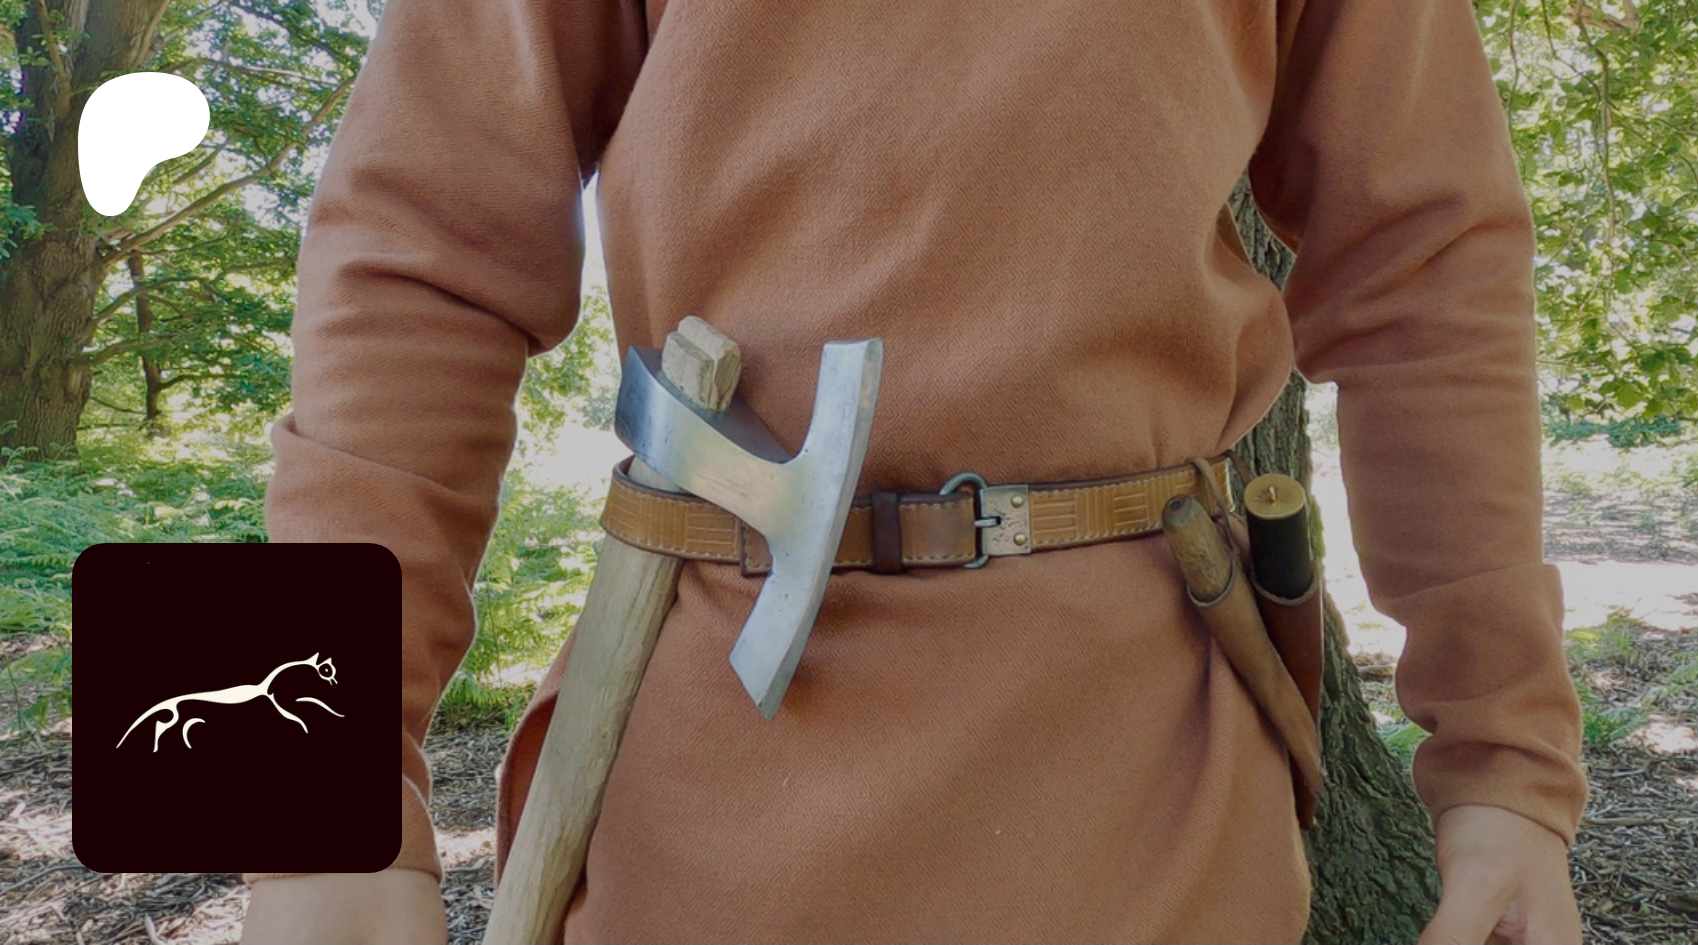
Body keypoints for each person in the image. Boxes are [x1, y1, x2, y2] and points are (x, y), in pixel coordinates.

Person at [239, 0, 1590, 941]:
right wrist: (298, 804)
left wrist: (1509, 764)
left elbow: (1431, 270)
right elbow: (408, 243)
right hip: (698, 808)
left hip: (1150, 802)